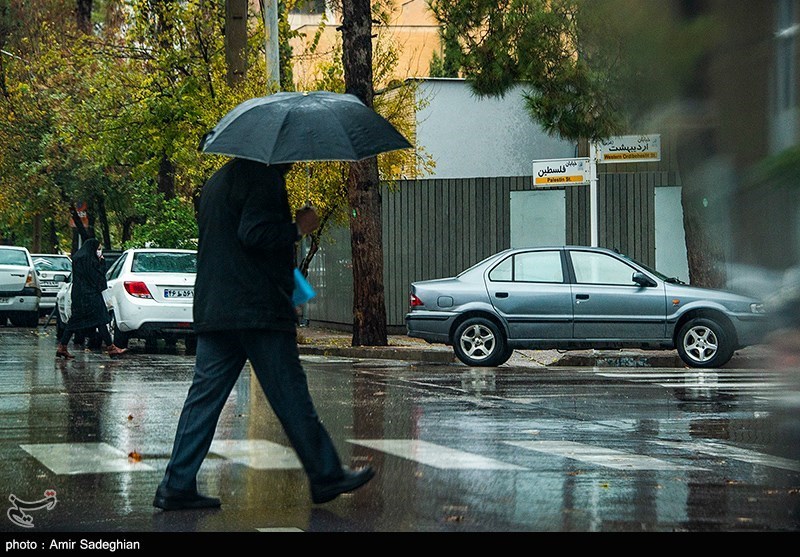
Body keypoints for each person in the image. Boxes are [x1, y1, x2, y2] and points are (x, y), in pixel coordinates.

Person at [153, 158, 374, 511]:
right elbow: (254, 233)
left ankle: (176, 484)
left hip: (217, 308)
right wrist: (297, 228)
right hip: (257, 310)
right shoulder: (263, 178)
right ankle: (326, 475)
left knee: (204, 400)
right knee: (291, 395)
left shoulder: (217, 181)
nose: (296, 161)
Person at [56, 237, 128, 359]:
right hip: (91, 295)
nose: (99, 251)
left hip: (79, 295)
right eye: (98, 248)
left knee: (75, 321)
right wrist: (102, 262)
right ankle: (111, 348)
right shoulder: (91, 260)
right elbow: (98, 276)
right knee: (100, 320)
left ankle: (62, 346)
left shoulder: (78, 258)